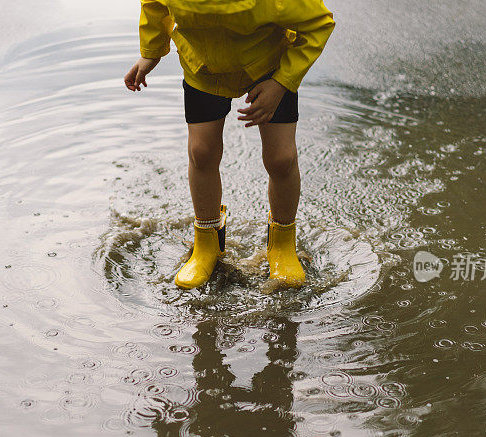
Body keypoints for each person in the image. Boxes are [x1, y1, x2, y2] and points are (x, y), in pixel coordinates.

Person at [125, 0, 335, 290]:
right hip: (203, 68)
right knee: (202, 153)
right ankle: (207, 243)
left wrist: (282, 83)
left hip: (269, 68)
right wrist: (151, 53)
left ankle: (282, 243)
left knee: (281, 158)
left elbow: (319, 24)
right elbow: (154, 6)